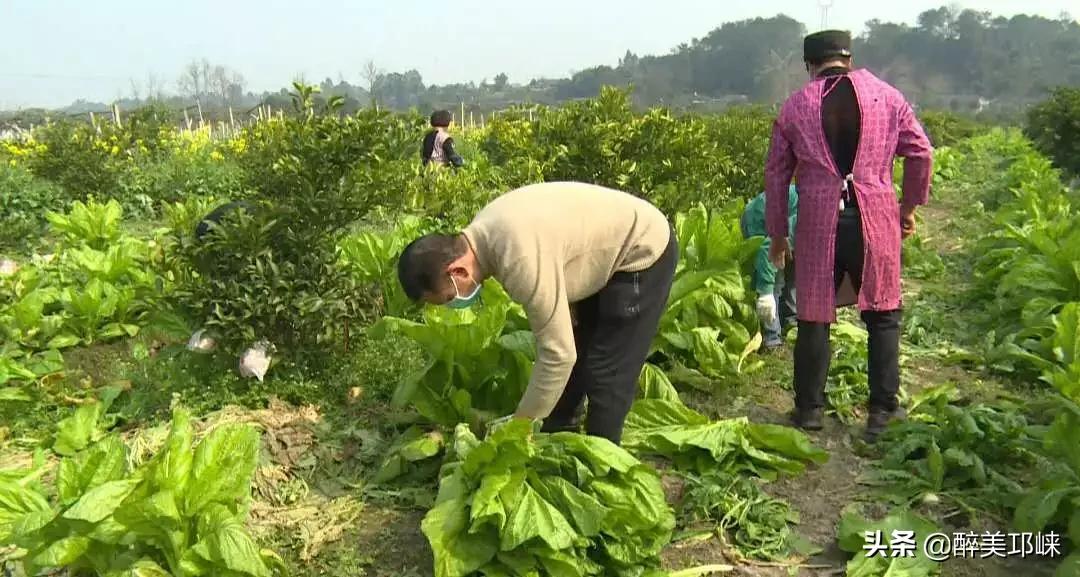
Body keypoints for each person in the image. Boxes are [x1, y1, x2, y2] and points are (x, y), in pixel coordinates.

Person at [396, 182, 678, 445]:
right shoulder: (484, 234)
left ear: (458, 271)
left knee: (606, 371)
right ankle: (558, 436)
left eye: (449, 297)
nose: (454, 303)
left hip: (641, 249)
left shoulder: (516, 257)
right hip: (605, 254)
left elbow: (558, 355)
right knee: (580, 346)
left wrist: (521, 425)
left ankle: (602, 468)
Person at [763, 30, 933, 442]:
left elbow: (776, 174)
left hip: (820, 221)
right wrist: (908, 207)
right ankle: (882, 412)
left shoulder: (795, 106)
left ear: (810, 64)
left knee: (814, 315)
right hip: (875, 216)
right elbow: (921, 152)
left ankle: (809, 411)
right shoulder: (887, 97)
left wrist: (778, 235)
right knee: (882, 314)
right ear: (849, 58)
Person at [740, 185, 798, 350]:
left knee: (796, 269)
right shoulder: (806, 216)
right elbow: (768, 249)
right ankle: (772, 339)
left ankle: (791, 323)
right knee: (776, 279)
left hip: (784, 217)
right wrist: (765, 292)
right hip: (757, 219)